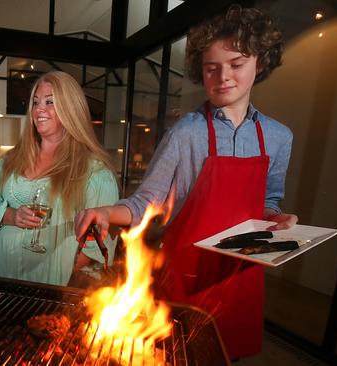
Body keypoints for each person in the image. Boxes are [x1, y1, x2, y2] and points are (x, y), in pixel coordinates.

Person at [75, 6, 297, 359]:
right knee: (178, 355)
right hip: (185, 276)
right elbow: (144, 204)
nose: (223, 76)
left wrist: (276, 217)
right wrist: (104, 211)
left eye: (236, 64)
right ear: (200, 71)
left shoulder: (279, 137)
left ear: (260, 62)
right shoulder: (185, 134)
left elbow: (269, 200)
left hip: (240, 275)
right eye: (212, 68)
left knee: (226, 355)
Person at [0, 71, 119, 287]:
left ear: (71, 109)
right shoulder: (11, 159)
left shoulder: (94, 171)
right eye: (35, 102)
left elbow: (100, 239)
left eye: (49, 102)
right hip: (4, 271)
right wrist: (12, 215)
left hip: (53, 281)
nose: (39, 109)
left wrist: (61, 271)